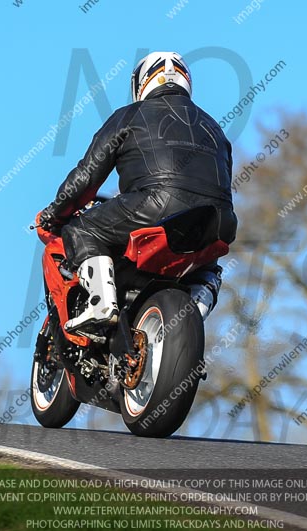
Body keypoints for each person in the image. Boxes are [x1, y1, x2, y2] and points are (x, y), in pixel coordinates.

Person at [39, 51, 237, 333]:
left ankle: (101, 304)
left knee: (81, 229)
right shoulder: (215, 129)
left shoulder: (129, 115)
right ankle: (197, 305)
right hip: (220, 222)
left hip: (155, 205)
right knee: (207, 260)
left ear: (141, 83)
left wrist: (55, 213)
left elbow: (87, 177)